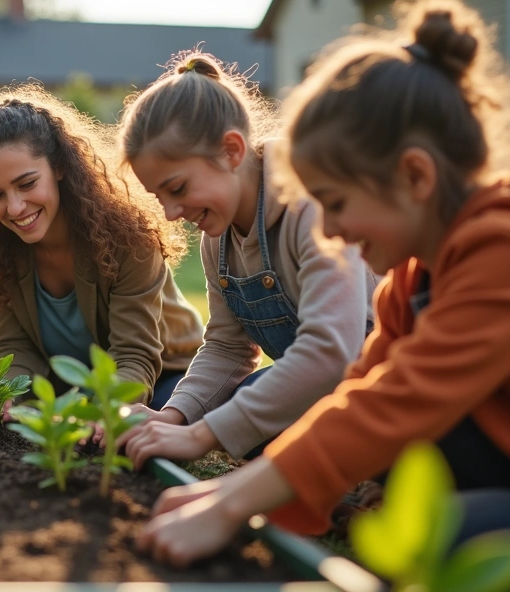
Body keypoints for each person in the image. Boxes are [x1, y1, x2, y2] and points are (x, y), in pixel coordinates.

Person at [138, 0, 510, 590]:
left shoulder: (509, 247)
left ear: (414, 177)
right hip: (508, 474)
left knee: (444, 541)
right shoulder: (408, 282)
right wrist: (232, 490)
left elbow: (399, 401)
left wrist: (230, 506)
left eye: (335, 203)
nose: (328, 230)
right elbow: (357, 392)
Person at [116, 50, 376, 462]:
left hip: (378, 385)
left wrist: (203, 436)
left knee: (252, 404)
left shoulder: (310, 204)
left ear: (232, 151)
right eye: (159, 197)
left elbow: (331, 351)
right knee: (249, 411)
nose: (171, 213)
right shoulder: (216, 237)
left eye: (178, 188)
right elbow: (226, 345)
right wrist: (174, 417)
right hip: (322, 392)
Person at [0, 84, 203, 406]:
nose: (14, 208)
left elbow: (134, 357)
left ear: (59, 167)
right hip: (70, 388)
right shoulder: (1, 250)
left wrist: (103, 415)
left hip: (164, 375)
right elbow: (17, 348)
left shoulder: (128, 238)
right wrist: (11, 402)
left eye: (27, 184)